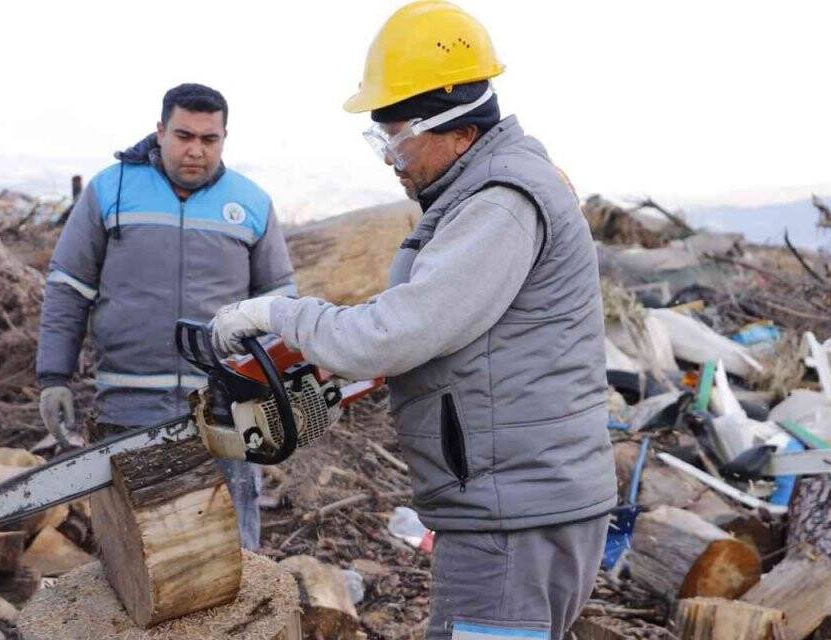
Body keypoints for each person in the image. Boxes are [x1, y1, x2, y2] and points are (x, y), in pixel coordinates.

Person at [210, 2, 615, 638]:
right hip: (518, 503)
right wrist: (329, 371)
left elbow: (403, 331)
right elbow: (460, 343)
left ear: (455, 126)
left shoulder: (498, 204)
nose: (391, 159)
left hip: (513, 512)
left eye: (396, 140)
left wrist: (275, 313)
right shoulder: (479, 196)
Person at [37, 83, 296, 550]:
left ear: (224, 138)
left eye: (209, 139)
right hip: (129, 406)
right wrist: (53, 375)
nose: (195, 150)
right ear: (160, 132)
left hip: (226, 408)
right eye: (183, 136)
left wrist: (279, 385)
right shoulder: (110, 190)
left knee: (231, 552)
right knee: (136, 555)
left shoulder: (252, 203)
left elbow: (279, 300)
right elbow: (68, 288)